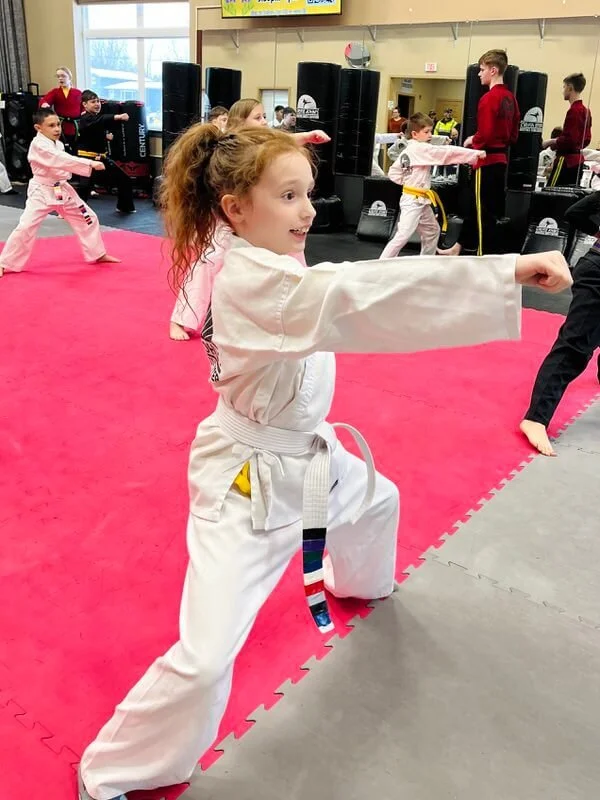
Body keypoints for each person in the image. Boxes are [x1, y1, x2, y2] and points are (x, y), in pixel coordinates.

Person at [77, 124, 571, 800]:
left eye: (308, 193)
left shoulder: (266, 254)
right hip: (247, 482)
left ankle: (357, 580)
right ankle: (112, 769)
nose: (309, 211)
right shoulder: (256, 283)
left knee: (378, 499)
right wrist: (506, 270)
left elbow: (338, 287)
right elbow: (360, 295)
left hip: (311, 455)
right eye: (288, 195)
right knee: (204, 658)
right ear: (234, 208)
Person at [169, 99, 329, 340]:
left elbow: (281, 144)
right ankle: (182, 318)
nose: (264, 122)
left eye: (264, 116)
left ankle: (302, 304)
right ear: (238, 121)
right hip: (229, 222)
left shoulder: (263, 144)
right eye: (257, 117)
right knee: (207, 263)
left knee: (293, 250)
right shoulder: (229, 147)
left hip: (258, 219)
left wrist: (306, 136)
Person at [520, 191, 600, 456]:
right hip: (597, 274)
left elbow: (575, 212)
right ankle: (535, 418)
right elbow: (574, 213)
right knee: (575, 347)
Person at [0, 109, 119, 278]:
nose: (57, 129)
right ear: (38, 128)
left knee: (88, 217)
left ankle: (97, 253)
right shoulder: (39, 145)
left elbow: (63, 162)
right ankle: (4, 263)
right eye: (51, 125)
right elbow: (61, 160)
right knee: (26, 227)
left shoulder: (58, 144)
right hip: (41, 191)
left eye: (58, 125)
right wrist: (89, 164)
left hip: (62, 189)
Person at [438, 49, 520, 257]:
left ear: (493, 70)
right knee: (479, 209)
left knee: (483, 212)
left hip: (486, 161)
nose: (479, 74)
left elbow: (486, 133)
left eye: (482, 69)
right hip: (501, 159)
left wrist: (472, 139)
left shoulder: (488, 99)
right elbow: (513, 134)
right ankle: (459, 247)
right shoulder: (511, 98)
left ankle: (484, 258)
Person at [379, 112, 485, 259]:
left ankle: (425, 262)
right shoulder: (419, 149)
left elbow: (393, 172)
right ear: (415, 134)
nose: (430, 135)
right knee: (403, 235)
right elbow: (446, 154)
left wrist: (407, 182)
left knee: (432, 230)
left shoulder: (411, 148)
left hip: (420, 199)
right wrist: (474, 154)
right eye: (427, 132)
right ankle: (382, 263)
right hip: (413, 200)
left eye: (431, 131)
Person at [76, 91, 135, 214]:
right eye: (93, 102)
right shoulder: (85, 118)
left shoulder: (96, 118)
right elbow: (97, 121)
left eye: (98, 101)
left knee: (124, 179)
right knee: (84, 187)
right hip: (86, 159)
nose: (97, 104)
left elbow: (96, 127)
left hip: (101, 158)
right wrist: (117, 116)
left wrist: (105, 136)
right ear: (85, 105)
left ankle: (124, 207)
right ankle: (73, 212)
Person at [544, 73, 592, 187]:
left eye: (564, 87)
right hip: (578, 162)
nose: (563, 91)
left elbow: (569, 139)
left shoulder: (574, 111)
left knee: (552, 192)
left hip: (566, 161)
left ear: (570, 88)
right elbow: (587, 139)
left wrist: (551, 142)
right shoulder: (586, 111)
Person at [39, 66, 82, 153]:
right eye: (58, 76)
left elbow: (83, 106)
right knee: (61, 150)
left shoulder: (78, 92)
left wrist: (84, 112)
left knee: (76, 149)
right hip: (61, 126)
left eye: (63, 76)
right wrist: (44, 103)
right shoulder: (55, 92)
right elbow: (44, 100)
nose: (60, 79)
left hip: (76, 127)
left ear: (69, 77)